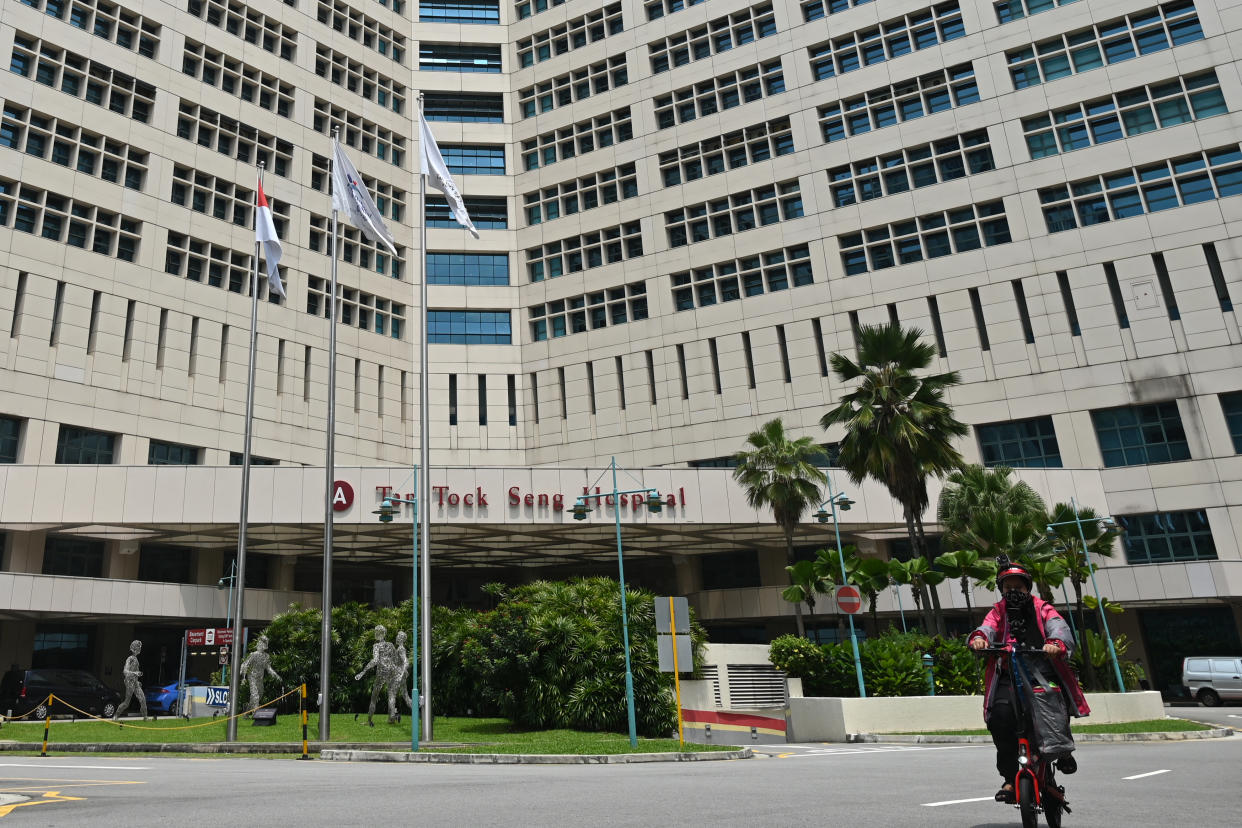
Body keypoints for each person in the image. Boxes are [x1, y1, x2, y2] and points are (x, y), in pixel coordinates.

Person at [968, 560, 1089, 803]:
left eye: (1018, 586)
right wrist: (980, 639)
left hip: (1041, 674)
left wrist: (1056, 644)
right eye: (1007, 586)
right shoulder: (998, 611)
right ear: (1002, 589)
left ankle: (1063, 753)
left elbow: (1059, 628)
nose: (1013, 591)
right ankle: (1010, 779)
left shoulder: (1042, 607)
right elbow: (986, 628)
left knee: (1055, 709)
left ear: (1027, 587)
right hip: (1008, 675)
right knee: (999, 719)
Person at [239, 635, 282, 716]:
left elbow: (269, 668)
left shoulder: (266, 656)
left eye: (264, 643)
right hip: (252, 677)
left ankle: (246, 711)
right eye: (261, 643)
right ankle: (256, 715)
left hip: (260, 678)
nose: (262, 645)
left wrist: (276, 675)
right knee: (255, 696)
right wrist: (243, 678)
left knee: (260, 694)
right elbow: (245, 664)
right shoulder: (253, 655)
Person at [113, 639, 148, 720]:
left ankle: (145, 717)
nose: (140, 649)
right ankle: (116, 715)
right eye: (139, 647)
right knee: (126, 703)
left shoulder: (136, 659)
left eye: (140, 647)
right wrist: (135, 673)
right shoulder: (130, 659)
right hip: (129, 682)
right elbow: (125, 671)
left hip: (135, 682)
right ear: (135, 648)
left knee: (143, 699)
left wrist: (137, 680)